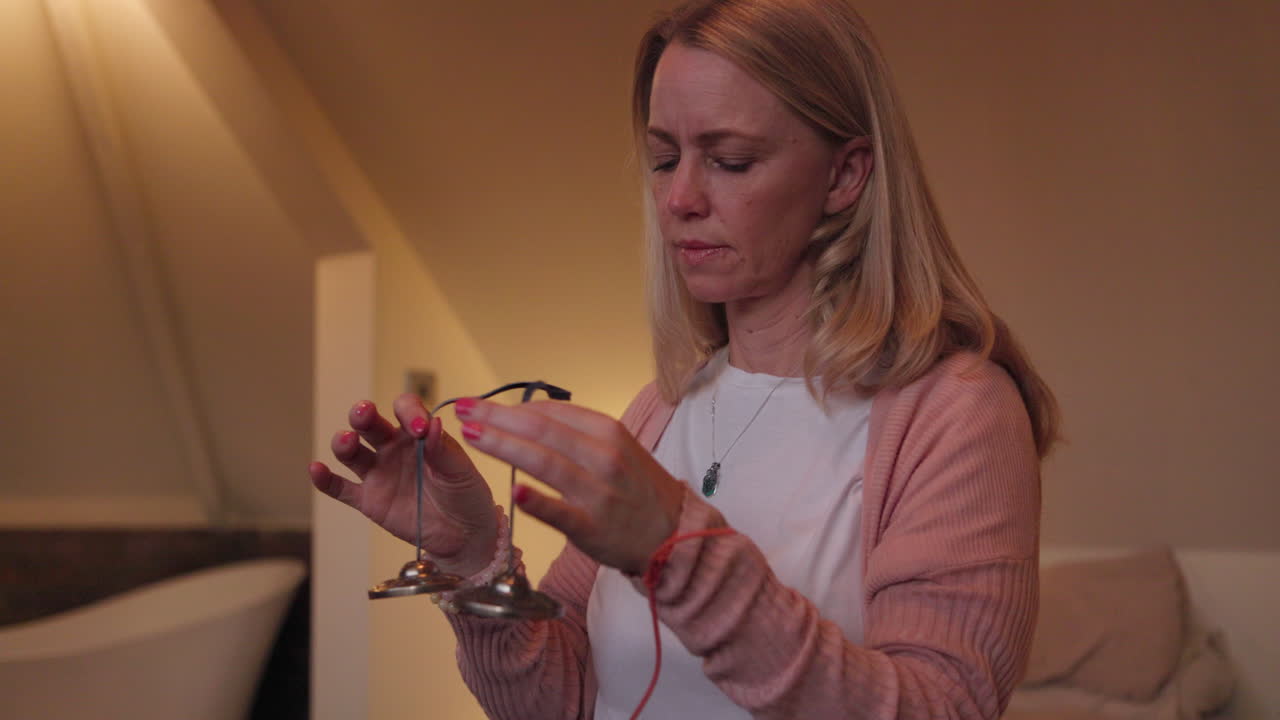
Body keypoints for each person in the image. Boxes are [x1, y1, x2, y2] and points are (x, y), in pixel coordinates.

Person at [308, 0, 1059, 717]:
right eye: (665, 159)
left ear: (845, 175)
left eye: (730, 160)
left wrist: (681, 554)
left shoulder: (956, 412)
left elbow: (942, 708)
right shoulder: (667, 404)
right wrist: (474, 563)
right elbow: (564, 700)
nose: (680, 199)